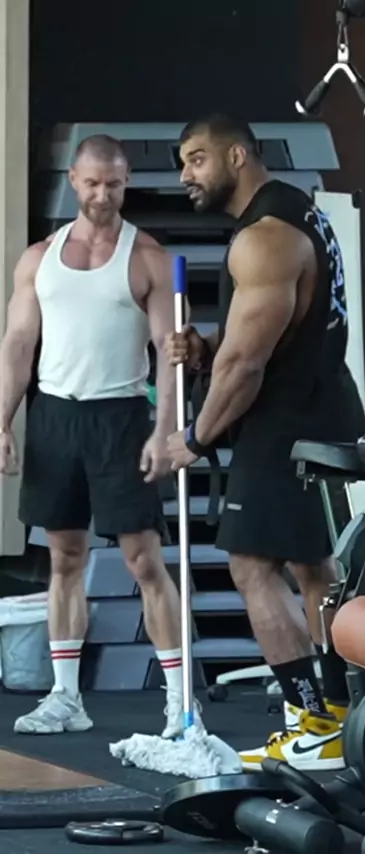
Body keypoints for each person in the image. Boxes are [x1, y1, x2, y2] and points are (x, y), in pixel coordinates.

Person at [165, 114, 365, 772]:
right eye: (182, 163)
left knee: (252, 568)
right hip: (318, 410)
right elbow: (268, 334)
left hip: (287, 425)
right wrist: (206, 348)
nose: (185, 175)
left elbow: (246, 366)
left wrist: (194, 438)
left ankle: (316, 721)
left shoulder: (265, 237)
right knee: (314, 572)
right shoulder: (296, 213)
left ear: (237, 155)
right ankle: (340, 722)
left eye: (197, 159)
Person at [0, 134, 202, 737]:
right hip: (56, 417)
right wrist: (3, 420)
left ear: (126, 182)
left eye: (113, 184)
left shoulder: (149, 258)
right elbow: (18, 344)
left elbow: (169, 356)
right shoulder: (38, 258)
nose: (102, 195)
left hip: (121, 419)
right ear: (73, 179)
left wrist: (165, 431)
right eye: (92, 183)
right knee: (64, 559)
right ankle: (66, 698)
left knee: (145, 561)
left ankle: (178, 706)